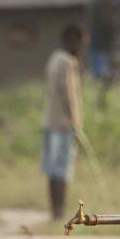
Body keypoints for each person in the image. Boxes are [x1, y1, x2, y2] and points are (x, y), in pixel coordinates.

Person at [41, 23, 86, 220]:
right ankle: (59, 212)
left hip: (49, 122)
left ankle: (55, 211)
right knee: (61, 169)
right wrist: (76, 123)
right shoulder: (68, 62)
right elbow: (69, 95)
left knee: (52, 169)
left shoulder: (54, 58)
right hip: (63, 124)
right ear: (72, 41)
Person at [87, 0, 116, 108]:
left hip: (100, 42)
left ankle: (102, 101)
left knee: (102, 75)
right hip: (99, 41)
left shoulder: (102, 0)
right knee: (100, 74)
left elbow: (107, 22)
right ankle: (100, 101)